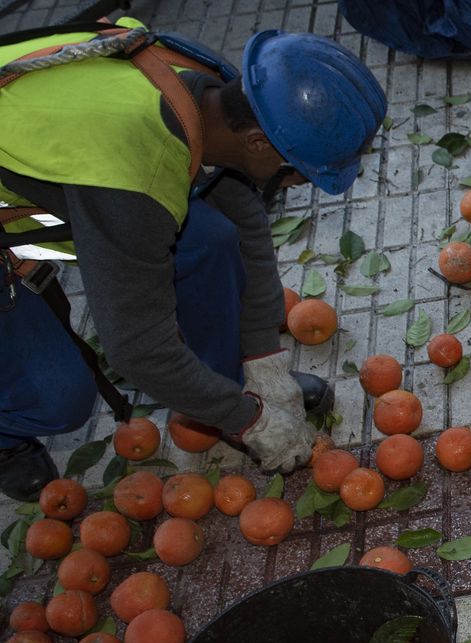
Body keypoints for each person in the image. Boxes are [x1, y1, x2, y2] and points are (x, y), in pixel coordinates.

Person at [1, 20, 386, 499]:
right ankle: (7, 436)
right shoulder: (132, 180)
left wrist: (262, 357)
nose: (295, 187)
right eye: (297, 177)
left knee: (208, 240)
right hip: (84, 175)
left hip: (72, 148)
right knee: (59, 399)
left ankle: (223, 384)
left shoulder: (215, 88)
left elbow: (244, 214)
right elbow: (138, 348)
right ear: (259, 144)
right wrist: (248, 421)